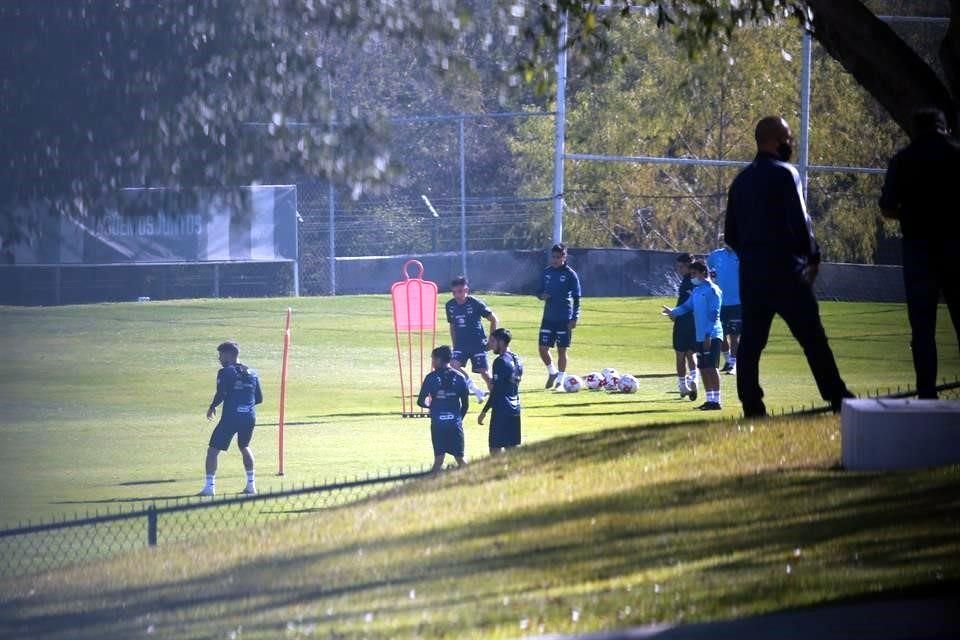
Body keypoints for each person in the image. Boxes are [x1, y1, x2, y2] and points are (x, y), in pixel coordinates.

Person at [725, 116, 854, 418]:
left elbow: (731, 233)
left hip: (754, 275)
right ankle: (838, 398)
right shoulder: (786, 174)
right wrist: (812, 257)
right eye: (787, 137)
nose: (790, 142)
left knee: (751, 344)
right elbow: (800, 221)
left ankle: (752, 407)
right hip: (786, 271)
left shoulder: (740, 181)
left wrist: (753, 254)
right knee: (813, 338)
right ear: (773, 140)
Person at [879, 108, 960, 399]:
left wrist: (912, 214)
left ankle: (927, 391)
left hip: (919, 250)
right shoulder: (955, 154)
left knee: (923, 328)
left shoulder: (903, 160)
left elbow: (888, 207)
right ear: (944, 127)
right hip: (955, 246)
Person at [200, 341, 263, 496]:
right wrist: (244, 404)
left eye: (221, 354)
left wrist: (212, 406)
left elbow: (221, 393)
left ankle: (210, 487)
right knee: (244, 446)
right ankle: (251, 486)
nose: (219, 358)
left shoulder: (225, 372)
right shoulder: (252, 373)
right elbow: (259, 398)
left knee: (213, 450)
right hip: (249, 417)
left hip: (231, 418)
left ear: (229, 354)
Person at [662, 261, 724, 410]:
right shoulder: (697, 290)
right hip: (699, 335)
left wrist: (708, 334)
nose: (692, 277)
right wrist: (673, 312)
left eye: (694, 274)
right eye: (691, 274)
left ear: (703, 272)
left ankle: (717, 401)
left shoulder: (713, 290)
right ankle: (709, 400)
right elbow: (687, 306)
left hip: (712, 335)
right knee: (702, 367)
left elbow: (714, 314)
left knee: (711, 367)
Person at [445, 275, 499, 402]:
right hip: (461, 344)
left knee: (484, 372)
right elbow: (452, 326)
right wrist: (454, 344)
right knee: (453, 366)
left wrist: (492, 340)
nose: (457, 295)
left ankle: (497, 398)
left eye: (459, 291)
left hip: (477, 343)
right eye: (454, 292)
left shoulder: (476, 303)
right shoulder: (450, 305)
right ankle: (475, 389)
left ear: (466, 290)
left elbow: (494, 319)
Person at [416, 345, 470, 473]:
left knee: (438, 461)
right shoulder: (460, 377)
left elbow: (420, 401)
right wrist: (458, 419)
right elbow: (465, 405)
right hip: (455, 425)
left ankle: (428, 487)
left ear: (440, 359)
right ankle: (473, 481)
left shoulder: (431, 378)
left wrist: (432, 407)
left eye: (433, 359)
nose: (433, 362)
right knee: (460, 459)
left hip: (438, 425)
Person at [536, 243, 582, 390]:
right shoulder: (546, 272)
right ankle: (552, 372)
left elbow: (577, 298)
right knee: (542, 348)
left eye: (558, 257)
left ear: (564, 256)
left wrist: (574, 317)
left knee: (562, 350)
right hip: (548, 317)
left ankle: (560, 381)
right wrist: (541, 296)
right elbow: (539, 291)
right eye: (553, 257)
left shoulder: (570, 274)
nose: (555, 260)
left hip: (564, 318)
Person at [479, 328, 523, 454]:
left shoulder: (500, 361)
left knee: (495, 448)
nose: (490, 345)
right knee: (512, 447)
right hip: (515, 409)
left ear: (502, 342)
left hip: (501, 410)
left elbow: (496, 391)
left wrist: (484, 411)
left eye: (492, 341)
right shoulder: (518, 359)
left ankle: (498, 473)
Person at [708, 234, 742, 374]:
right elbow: (708, 272)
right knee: (720, 334)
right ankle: (727, 360)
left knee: (734, 335)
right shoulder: (715, 255)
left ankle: (733, 364)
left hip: (737, 302)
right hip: (719, 302)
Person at [671, 252, 699, 401]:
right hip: (694, 323)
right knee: (691, 353)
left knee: (680, 354)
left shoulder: (690, 281)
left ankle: (683, 385)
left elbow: (686, 304)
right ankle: (694, 379)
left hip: (684, 322)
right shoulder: (698, 279)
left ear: (689, 266)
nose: (679, 269)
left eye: (681, 266)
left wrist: (674, 313)